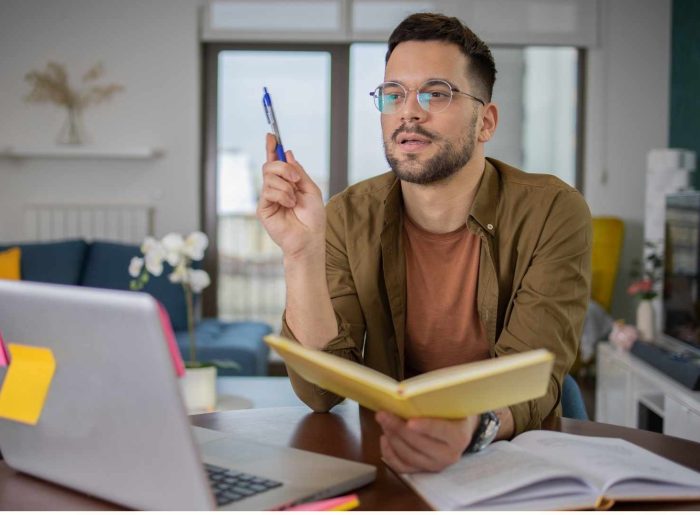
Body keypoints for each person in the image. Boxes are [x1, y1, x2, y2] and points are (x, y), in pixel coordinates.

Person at [257, 12, 591, 473]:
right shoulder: (346, 216)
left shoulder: (553, 211)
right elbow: (320, 392)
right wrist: (300, 254)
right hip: (393, 455)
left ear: (485, 122)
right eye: (393, 94)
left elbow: (535, 376)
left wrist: (469, 429)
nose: (409, 111)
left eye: (436, 93)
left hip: (510, 457)